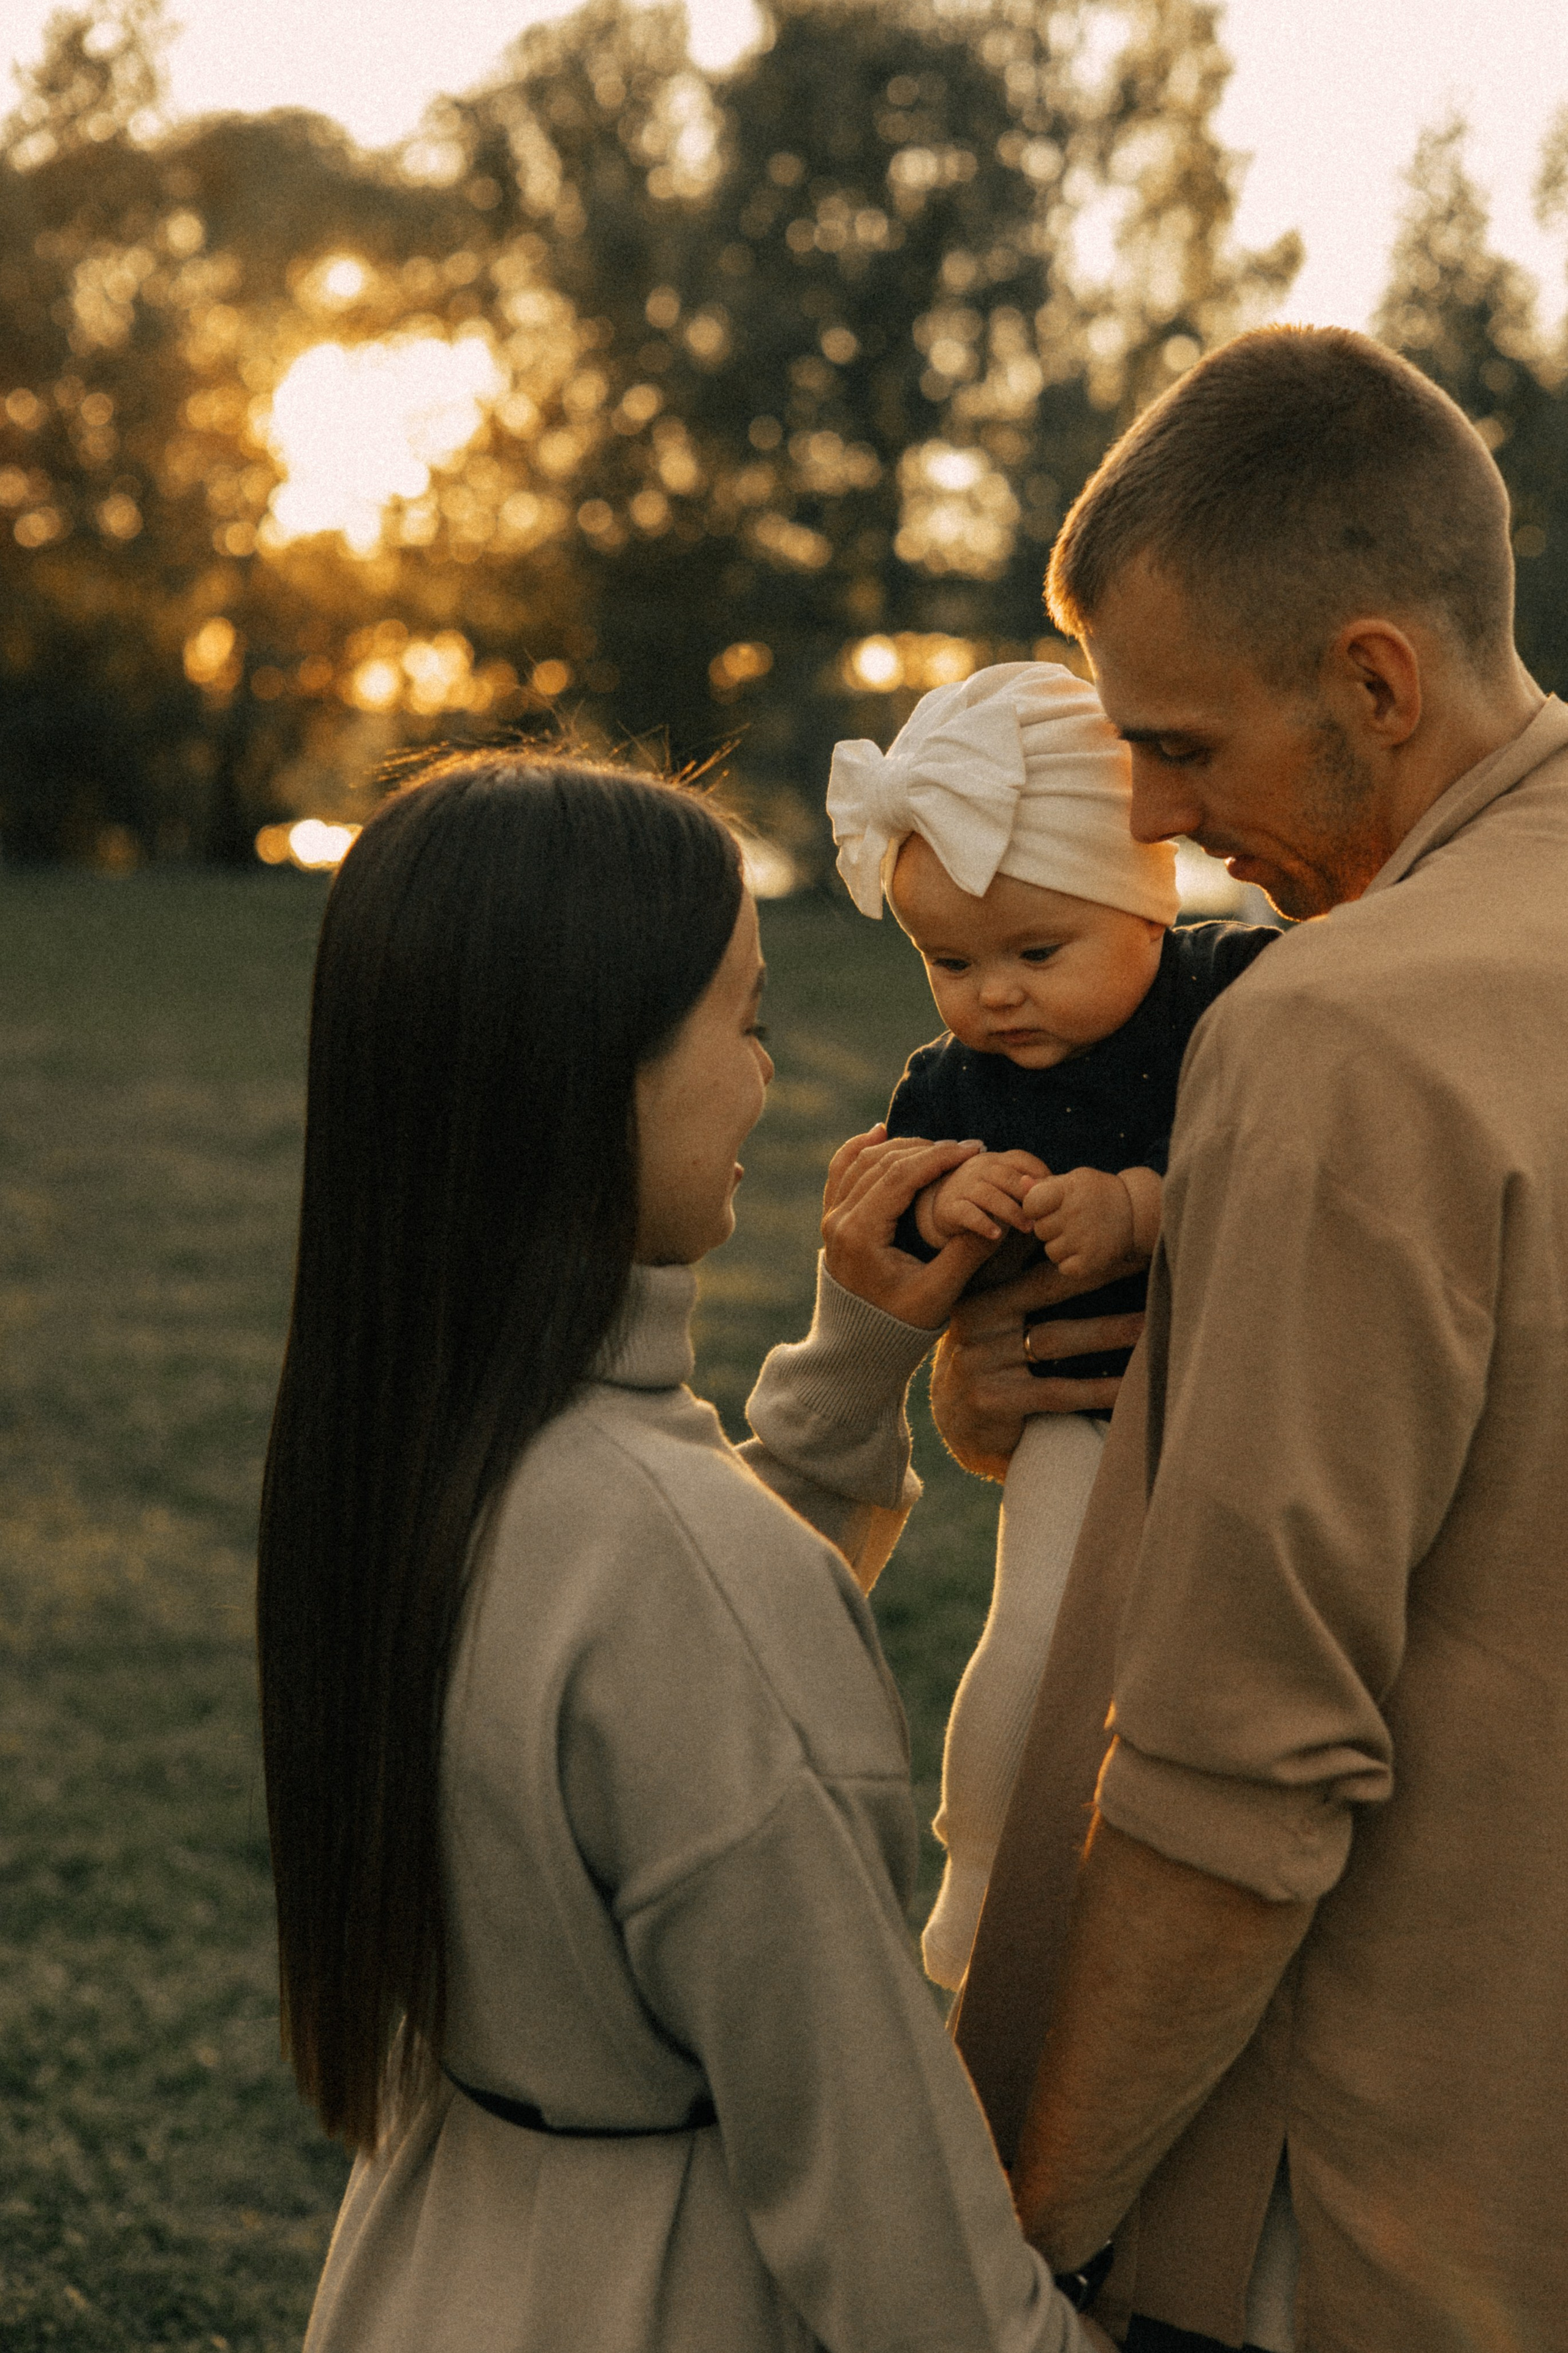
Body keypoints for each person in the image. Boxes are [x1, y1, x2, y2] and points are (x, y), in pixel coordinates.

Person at [256, 750, 1112, 2353]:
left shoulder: (404, 1447)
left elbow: (648, 1705)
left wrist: (854, 1364)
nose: (764, 1081)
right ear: (593, 1070)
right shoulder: (677, 1564)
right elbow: (902, 2244)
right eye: (744, 1019)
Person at [925, 325, 1568, 2351]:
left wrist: (1038, 2242)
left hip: (1350, 2216)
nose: (1155, 821)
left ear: (1377, 683)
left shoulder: (1339, 1029)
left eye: (1184, 746)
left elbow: (1236, 1776)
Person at [825, 664, 1276, 1988]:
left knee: (1201, 1682)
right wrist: (952, 1200)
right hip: (1078, 1413)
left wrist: (1141, 1206)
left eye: (1035, 953)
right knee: (1032, 1639)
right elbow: (896, 1244)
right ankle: (974, 1872)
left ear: (1144, 905)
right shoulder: (950, 1083)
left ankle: (1144, 1905)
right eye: (948, 963)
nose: (994, 997)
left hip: (1240, 1406)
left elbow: (1295, 1156)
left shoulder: (1230, 995)